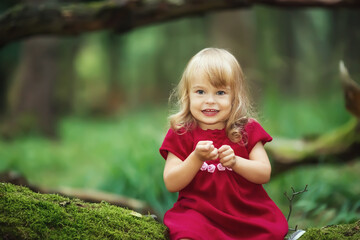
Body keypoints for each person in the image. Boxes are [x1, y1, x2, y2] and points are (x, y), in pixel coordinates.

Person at [159, 48, 288, 240]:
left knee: (269, 233)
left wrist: (236, 161)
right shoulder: (181, 132)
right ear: (188, 95)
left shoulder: (247, 129)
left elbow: (263, 173)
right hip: (199, 214)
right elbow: (171, 182)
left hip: (245, 213)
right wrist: (195, 158)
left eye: (220, 92)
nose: (210, 101)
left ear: (235, 96)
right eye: (200, 92)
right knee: (187, 233)